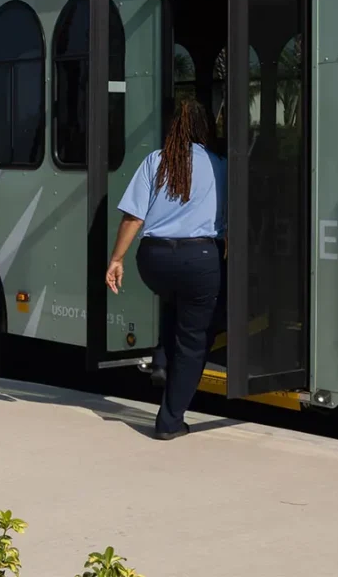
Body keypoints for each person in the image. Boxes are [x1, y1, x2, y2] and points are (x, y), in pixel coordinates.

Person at [104, 96, 227, 439]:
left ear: (173, 127)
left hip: (153, 259)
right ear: (205, 128)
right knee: (194, 340)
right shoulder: (221, 164)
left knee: (174, 301)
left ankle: (161, 358)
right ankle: (170, 421)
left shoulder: (156, 161)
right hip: (199, 259)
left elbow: (133, 216)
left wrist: (116, 259)